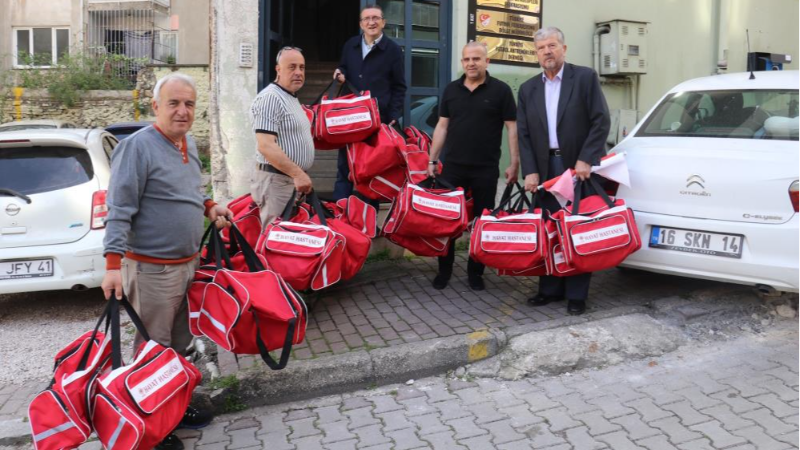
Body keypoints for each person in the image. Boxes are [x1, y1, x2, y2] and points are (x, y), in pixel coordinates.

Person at [101, 73, 231, 450]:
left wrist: (211, 207)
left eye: (189, 104)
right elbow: (119, 209)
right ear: (155, 106)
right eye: (173, 103)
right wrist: (112, 266)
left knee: (178, 345)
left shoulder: (187, 142)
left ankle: (175, 407)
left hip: (187, 264)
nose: (182, 111)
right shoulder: (136, 147)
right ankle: (152, 430)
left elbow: (192, 191)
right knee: (152, 353)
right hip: (152, 270)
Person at [517, 26, 611, 316]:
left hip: (576, 168)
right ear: (536, 54)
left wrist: (586, 158)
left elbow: (600, 120)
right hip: (546, 170)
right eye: (541, 47)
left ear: (564, 49)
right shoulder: (528, 88)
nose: (547, 51)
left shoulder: (584, 78)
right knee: (549, 229)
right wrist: (529, 170)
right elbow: (524, 135)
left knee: (577, 229)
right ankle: (549, 290)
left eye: (552, 45)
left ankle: (577, 295)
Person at [427, 41, 520, 291]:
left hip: (485, 170)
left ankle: (475, 272)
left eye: (476, 59)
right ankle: (444, 271)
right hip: (453, 168)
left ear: (486, 61)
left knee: (481, 223)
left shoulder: (500, 91)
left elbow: (512, 128)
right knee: (448, 223)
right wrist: (432, 159)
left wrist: (514, 162)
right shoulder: (451, 90)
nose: (471, 63)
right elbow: (442, 126)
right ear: (462, 62)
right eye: (467, 59)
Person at [332, 3, 407, 200]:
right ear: (361, 23)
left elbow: (400, 86)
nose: (371, 22)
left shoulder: (393, 50)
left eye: (375, 18)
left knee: (370, 171)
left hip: (376, 121)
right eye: (367, 19)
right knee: (344, 167)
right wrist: (341, 73)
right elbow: (344, 67)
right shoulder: (350, 45)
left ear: (383, 22)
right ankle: (341, 216)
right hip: (350, 118)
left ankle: (368, 223)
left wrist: (392, 116)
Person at [250, 46, 315, 225]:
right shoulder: (271, 98)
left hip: (289, 182)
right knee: (274, 241)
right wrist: (298, 174)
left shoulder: (290, 97)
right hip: (277, 183)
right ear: (278, 70)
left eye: (301, 68)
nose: (298, 72)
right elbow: (266, 145)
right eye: (292, 67)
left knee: (287, 244)